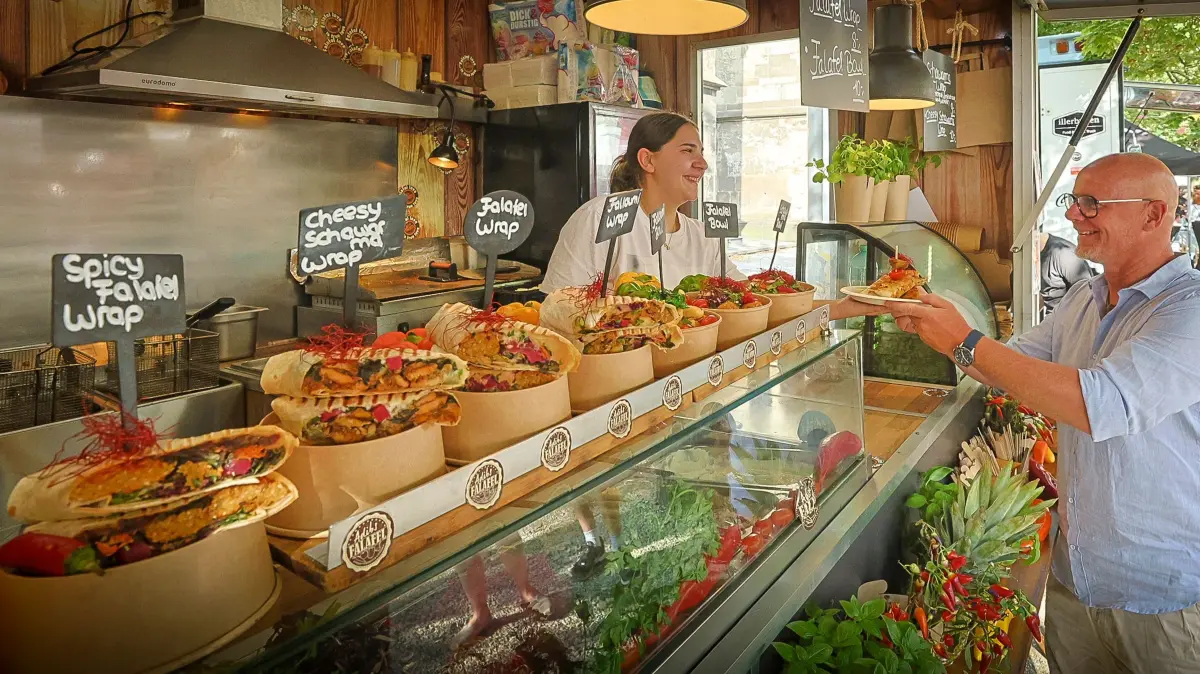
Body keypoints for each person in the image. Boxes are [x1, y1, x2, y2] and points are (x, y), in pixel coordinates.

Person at [886, 153, 1200, 674]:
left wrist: (963, 340)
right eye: (1073, 201)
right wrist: (933, 322)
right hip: (1076, 581)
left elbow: (1099, 402)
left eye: (1093, 204)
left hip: (1160, 596)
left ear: (1154, 214)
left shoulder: (1186, 310)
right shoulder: (1084, 296)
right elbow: (1009, 365)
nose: (1075, 216)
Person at [540, 112, 744, 293]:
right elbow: (561, 307)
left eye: (701, 152)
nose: (702, 164)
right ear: (647, 160)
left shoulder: (704, 238)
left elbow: (749, 297)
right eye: (688, 150)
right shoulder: (599, 217)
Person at [1037, 230, 1093, 317]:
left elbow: (1087, 297)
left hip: (1069, 323)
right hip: (1052, 323)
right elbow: (1048, 293)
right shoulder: (1036, 257)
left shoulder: (1064, 255)